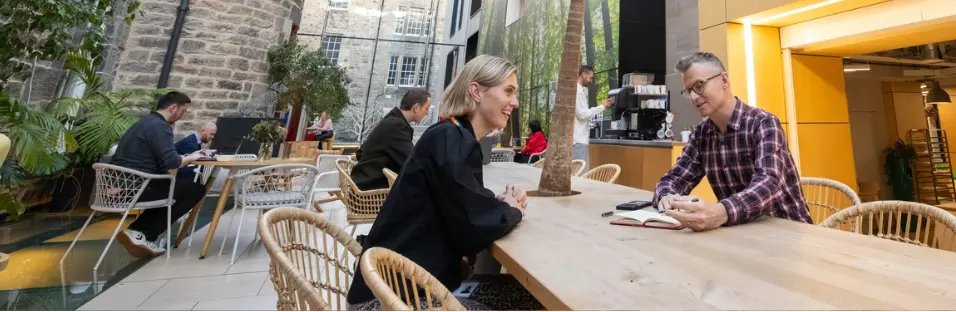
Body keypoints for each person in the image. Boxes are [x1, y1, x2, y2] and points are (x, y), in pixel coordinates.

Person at [347, 55, 541, 310]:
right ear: (476, 91)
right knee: (531, 302)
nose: (515, 102)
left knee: (521, 294)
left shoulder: (452, 135)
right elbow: (473, 228)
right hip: (390, 301)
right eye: (508, 91)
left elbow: (462, 204)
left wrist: (498, 202)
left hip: (395, 286)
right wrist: (512, 209)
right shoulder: (452, 140)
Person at [654, 52, 812, 232]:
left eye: (699, 85)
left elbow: (769, 184)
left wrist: (720, 212)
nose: (694, 97)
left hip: (789, 234)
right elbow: (675, 178)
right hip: (740, 233)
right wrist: (666, 196)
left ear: (724, 81)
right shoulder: (701, 135)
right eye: (688, 91)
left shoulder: (763, 123)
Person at [112, 91, 208, 258]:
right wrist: (193, 157)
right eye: (183, 110)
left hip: (122, 185)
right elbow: (171, 162)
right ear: (173, 108)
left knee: (172, 188)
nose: (182, 115)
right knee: (195, 190)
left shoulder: (144, 122)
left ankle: (139, 231)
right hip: (138, 187)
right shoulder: (160, 127)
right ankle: (142, 232)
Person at [351, 88, 431, 190]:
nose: (427, 113)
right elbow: (413, 163)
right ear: (416, 107)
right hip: (372, 193)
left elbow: (360, 153)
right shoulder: (397, 126)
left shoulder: (391, 120)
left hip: (361, 185)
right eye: (427, 108)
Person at [573, 65, 612, 171]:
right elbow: (582, 114)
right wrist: (602, 106)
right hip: (579, 140)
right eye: (590, 77)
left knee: (579, 172)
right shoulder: (578, 91)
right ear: (583, 74)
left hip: (579, 139)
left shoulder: (578, 90)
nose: (591, 80)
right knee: (580, 174)